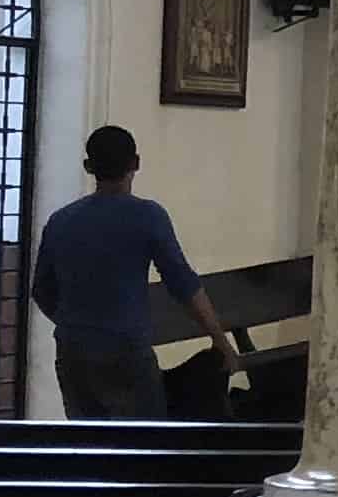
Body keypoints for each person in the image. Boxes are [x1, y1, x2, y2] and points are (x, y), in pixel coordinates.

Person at [29, 124, 245, 420]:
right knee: (143, 444)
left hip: (73, 350)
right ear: (136, 163)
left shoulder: (60, 221)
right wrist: (221, 341)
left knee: (87, 443)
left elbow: (41, 291)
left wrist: (80, 325)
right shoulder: (147, 216)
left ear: (88, 166)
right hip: (126, 350)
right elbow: (183, 284)